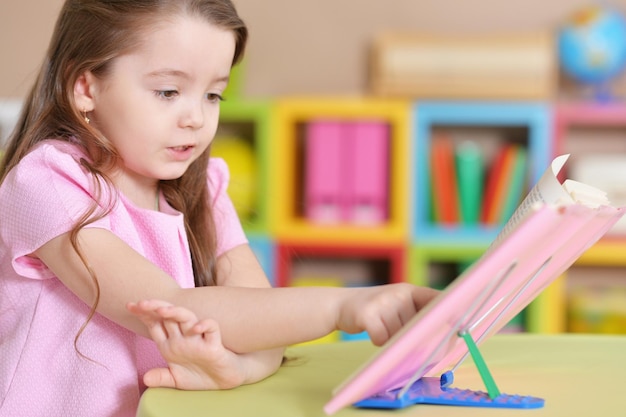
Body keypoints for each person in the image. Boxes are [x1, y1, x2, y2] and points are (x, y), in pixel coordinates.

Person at [0, 0, 438, 416]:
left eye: (213, 95)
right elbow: (170, 304)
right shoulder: (48, 183)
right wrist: (343, 306)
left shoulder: (203, 187)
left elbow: (262, 321)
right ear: (85, 88)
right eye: (169, 91)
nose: (196, 117)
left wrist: (238, 369)